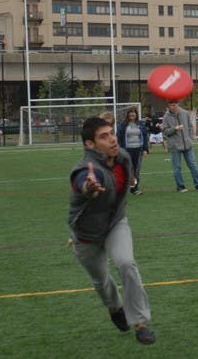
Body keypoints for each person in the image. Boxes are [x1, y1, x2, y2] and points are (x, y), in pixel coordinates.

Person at [67, 116, 156, 345]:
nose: (112, 139)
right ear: (90, 144)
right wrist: (90, 187)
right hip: (86, 233)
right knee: (101, 280)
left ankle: (140, 323)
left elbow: (127, 178)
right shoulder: (84, 169)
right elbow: (83, 184)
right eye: (103, 137)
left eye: (111, 133)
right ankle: (115, 308)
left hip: (116, 223)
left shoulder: (123, 157)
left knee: (126, 263)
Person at [162, 100, 198, 193]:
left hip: (188, 144)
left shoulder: (185, 113)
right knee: (177, 167)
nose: (173, 106)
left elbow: (191, 127)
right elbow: (165, 132)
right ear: (168, 106)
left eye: (174, 104)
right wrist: (174, 129)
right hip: (175, 146)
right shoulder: (166, 117)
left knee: (193, 165)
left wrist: (190, 138)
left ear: (178, 104)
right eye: (171, 105)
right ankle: (180, 186)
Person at [117, 108, 148, 196]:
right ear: (128, 114)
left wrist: (145, 149)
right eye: (130, 113)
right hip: (126, 150)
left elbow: (145, 137)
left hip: (138, 150)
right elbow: (118, 137)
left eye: (134, 113)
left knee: (136, 170)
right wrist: (119, 149)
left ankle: (134, 188)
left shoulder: (141, 124)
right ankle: (122, 187)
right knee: (127, 169)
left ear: (136, 114)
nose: (132, 114)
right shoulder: (123, 125)